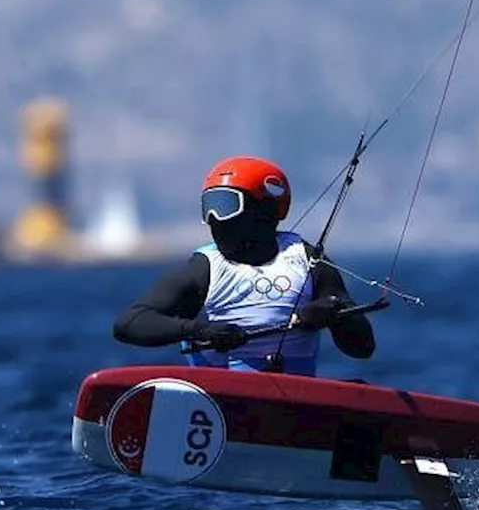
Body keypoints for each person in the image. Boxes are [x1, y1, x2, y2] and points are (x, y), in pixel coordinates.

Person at [112, 155, 375, 375]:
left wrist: (335, 315)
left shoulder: (308, 262)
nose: (214, 219)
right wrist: (200, 330)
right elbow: (129, 323)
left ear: (264, 211)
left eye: (225, 206)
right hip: (218, 402)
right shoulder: (204, 269)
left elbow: (363, 348)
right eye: (209, 207)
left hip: (294, 402)